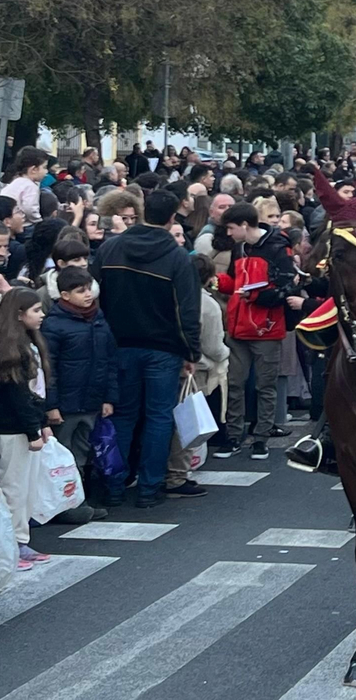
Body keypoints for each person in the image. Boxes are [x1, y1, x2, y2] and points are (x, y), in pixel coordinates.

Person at [91, 188, 201, 509]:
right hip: (163, 348)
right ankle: (150, 488)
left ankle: (114, 484)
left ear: (139, 212)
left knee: (123, 415)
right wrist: (190, 352)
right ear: (171, 218)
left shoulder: (111, 249)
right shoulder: (178, 257)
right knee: (158, 417)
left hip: (119, 343)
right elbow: (187, 311)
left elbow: (96, 295)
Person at [0, 289, 53, 569]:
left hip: (24, 424)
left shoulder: (23, 344)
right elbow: (17, 396)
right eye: (35, 310)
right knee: (14, 488)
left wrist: (40, 423)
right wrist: (34, 429)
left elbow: (32, 393)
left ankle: (20, 540)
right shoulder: (11, 350)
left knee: (25, 487)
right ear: (19, 316)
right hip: (14, 429)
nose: (41, 314)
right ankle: (11, 544)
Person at [218, 202, 299, 464]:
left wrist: (255, 295)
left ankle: (260, 436)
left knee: (263, 385)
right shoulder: (244, 247)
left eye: (231, 228)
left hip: (262, 326)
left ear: (243, 225)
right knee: (236, 383)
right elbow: (235, 282)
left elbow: (288, 285)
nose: (228, 234)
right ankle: (238, 435)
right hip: (246, 325)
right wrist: (219, 281)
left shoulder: (277, 246)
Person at [40, 267, 115, 519]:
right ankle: (61, 504)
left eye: (89, 289)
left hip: (91, 399)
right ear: (64, 294)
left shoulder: (98, 318)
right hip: (67, 402)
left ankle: (76, 500)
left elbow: (108, 360)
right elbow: (49, 368)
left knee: (82, 452)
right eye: (80, 291)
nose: (87, 295)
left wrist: (108, 397)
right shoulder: (54, 324)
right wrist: (51, 405)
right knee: (62, 453)